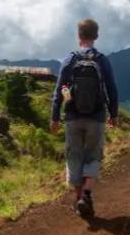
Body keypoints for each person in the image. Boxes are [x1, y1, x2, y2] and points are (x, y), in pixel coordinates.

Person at [50, 19, 119, 218]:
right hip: (96, 117)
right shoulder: (101, 60)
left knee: (75, 156)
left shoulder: (70, 60)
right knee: (93, 155)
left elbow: (60, 88)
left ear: (78, 36)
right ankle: (86, 195)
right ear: (96, 36)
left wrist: (56, 115)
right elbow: (111, 89)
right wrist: (113, 114)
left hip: (72, 116)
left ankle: (80, 199)